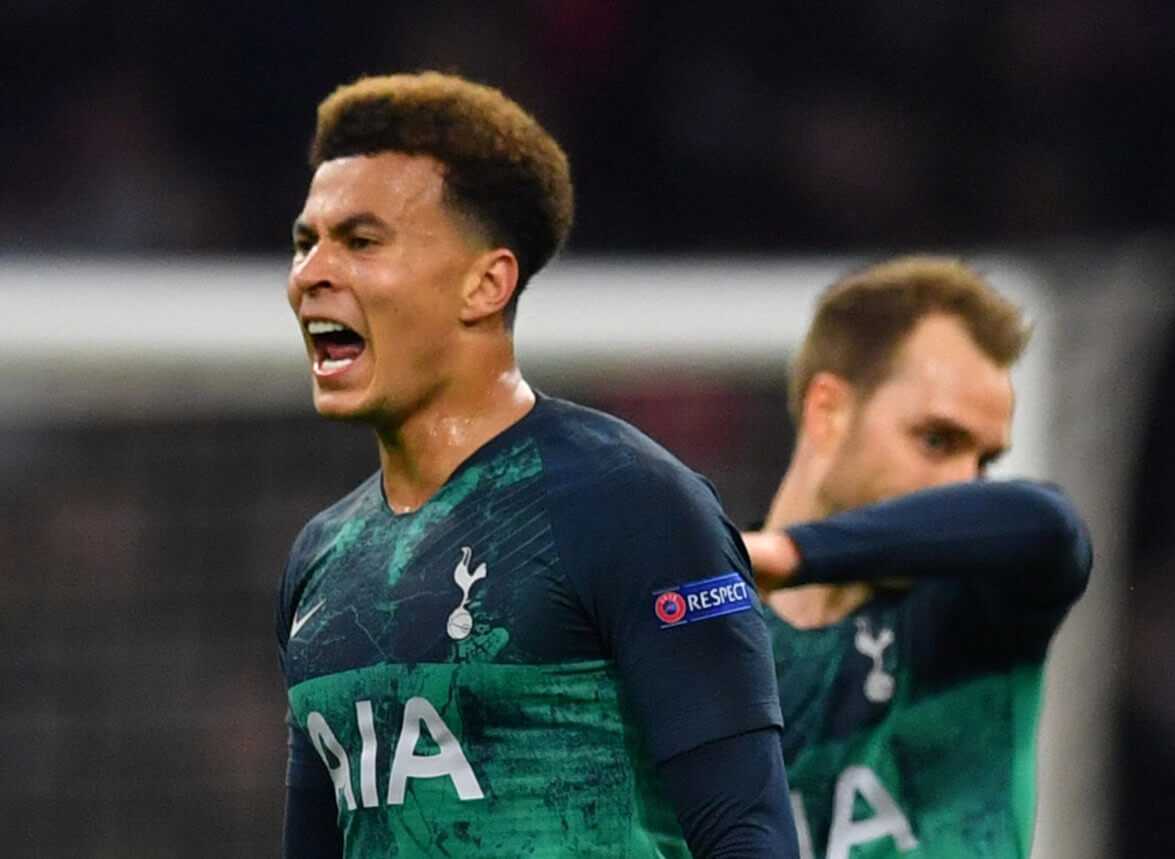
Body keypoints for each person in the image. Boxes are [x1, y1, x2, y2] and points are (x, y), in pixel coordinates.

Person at [275, 71, 797, 858]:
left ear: (486, 284)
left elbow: (747, 832)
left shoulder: (632, 505)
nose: (311, 272)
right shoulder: (322, 559)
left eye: (360, 240)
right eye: (305, 241)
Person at [740, 256, 1092, 858]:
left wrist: (787, 552)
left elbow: (1050, 526)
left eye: (985, 461)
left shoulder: (979, 609)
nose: (965, 484)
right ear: (829, 412)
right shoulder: (701, 635)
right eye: (936, 440)